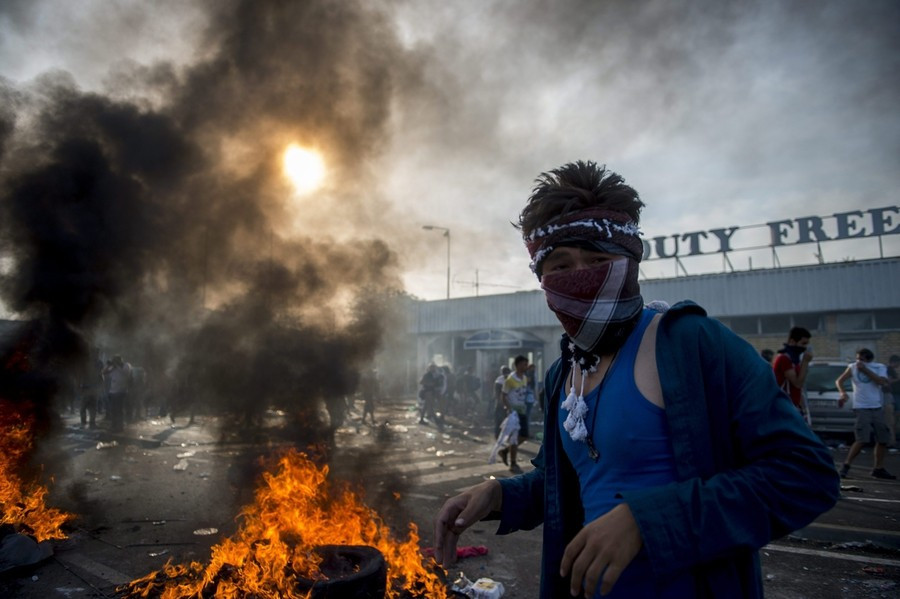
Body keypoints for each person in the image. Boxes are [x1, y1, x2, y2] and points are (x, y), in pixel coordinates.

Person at [433, 160, 840, 598]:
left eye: (597, 259)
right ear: (541, 278)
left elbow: (806, 474)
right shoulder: (563, 372)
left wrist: (647, 521)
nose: (580, 276)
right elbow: (568, 482)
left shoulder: (690, 344)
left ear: (630, 263)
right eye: (560, 265)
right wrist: (497, 495)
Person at [836, 348, 895, 479]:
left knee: (883, 439)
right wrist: (842, 392)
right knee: (862, 438)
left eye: (861, 359)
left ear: (868, 360)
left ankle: (878, 468)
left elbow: (881, 382)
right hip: (861, 407)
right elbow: (839, 380)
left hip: (877, 407)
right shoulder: (852, 367)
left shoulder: (879, 367)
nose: (858, 362)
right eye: (857, 358)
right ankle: (846, 465)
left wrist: (864, 370)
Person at [772, 327, 813, 420]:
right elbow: (797, 383)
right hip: (783, 407)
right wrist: (805, 362)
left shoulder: (794, 361)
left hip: (793, 406)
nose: (805, 347)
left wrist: (803, 408)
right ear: (792, 341)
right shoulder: (784, 359)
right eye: (803, 343)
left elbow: (798, 389)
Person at [498, 355, 530, 474]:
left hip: (522, 410)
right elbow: (503, 395)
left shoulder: (525, 378)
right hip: (513, 413)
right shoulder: (510, 380)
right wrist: (508, 408)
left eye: (526, 364)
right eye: (523, 364)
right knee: (514, 438)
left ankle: (505, 451)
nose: (525, 366)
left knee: (525, 435)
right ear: (517, 365)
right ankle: (513, 463)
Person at [103, 355, 133, 433]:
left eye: (116, 360)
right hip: (113, 392)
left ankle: (120, 426)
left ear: (120, 360)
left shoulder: (126, 365)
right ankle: (114, 426)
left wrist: (117, 365)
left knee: (119, 410)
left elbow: (126, 373)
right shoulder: (114, 368)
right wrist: (109, 365)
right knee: (113, 411)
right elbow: (104, 372)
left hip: (121, 392)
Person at [492, 365, 511, 437]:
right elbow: (498, 393)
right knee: (501, 419)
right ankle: (500, 435)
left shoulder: (499, 380)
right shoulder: (500, 381)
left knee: (501, 420)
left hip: (503, 403)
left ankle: (500, 435)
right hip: (503, 403)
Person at [887, 354, 900, 447]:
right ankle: (892, 439)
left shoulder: (891, 370)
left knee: (895, 417)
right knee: (894, 417)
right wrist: (898, 379)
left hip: (896, 395)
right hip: (894, 395)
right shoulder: (889, 369)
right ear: (894, 362)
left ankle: (893, 438)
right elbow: (888, 381)